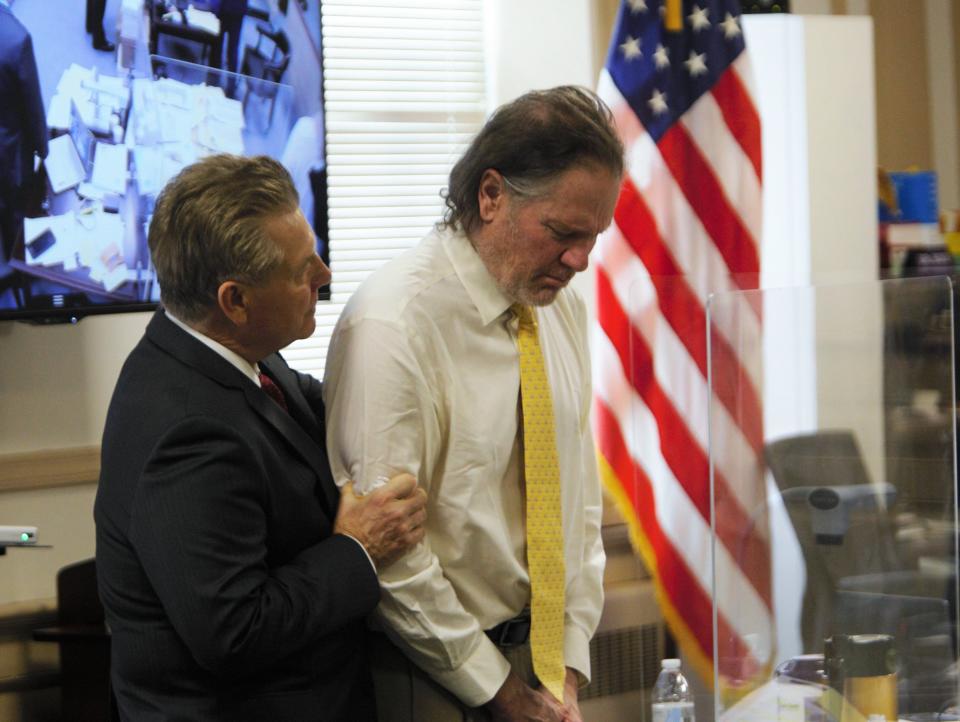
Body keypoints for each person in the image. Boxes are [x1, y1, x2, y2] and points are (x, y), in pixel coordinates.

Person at [323, 86, 624, 722]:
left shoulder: (555, 305)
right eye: (563, 232)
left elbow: (576, 500)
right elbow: (391, 559)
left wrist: (565, 667)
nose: (579, 260)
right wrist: (501, 693)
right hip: (430, 671)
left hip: (539, 669)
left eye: (594, 236)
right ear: (491, 196)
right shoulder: (393, 325)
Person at [95, 154, 427, 722]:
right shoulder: (187, 432)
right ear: (236, 301)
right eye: (301, 270)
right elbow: (236, 632)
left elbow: (315, 408)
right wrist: (358, 549)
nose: (323, 274)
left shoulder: (229, 350)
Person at [0, 0, 47, 265]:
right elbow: (32, 103)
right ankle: (13, 261)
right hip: (8, 151)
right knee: (14, 211)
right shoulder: (16, 39)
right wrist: (44, 147)